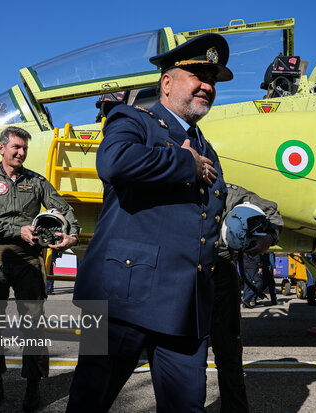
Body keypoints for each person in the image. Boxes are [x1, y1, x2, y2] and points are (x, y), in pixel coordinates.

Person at [67, 33, 233, 412]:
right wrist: (183, 163)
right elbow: (115, 162)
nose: (207, 85)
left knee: (186, 407)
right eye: (197, 75)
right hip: (118, 299)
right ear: (168, 82)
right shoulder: (132, 119)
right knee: (88, 401)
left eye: (212, 79)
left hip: (183, 307)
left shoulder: (207, 148)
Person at [0, 126, 80, 411]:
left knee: (33, 324)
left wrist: (73, 235)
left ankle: (33, 389)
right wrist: (17, 230)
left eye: (24, 149)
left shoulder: (37, 181)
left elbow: (64, 209)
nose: (20, 153)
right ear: (1, 148)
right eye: (16, 147)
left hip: (29, 260)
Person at [211, 184, 283, 413]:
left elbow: (271, 212)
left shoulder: (226, 193)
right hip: (183, 274)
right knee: (185, 351)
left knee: (229, 351)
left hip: (220, 272)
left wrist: (269, 236)